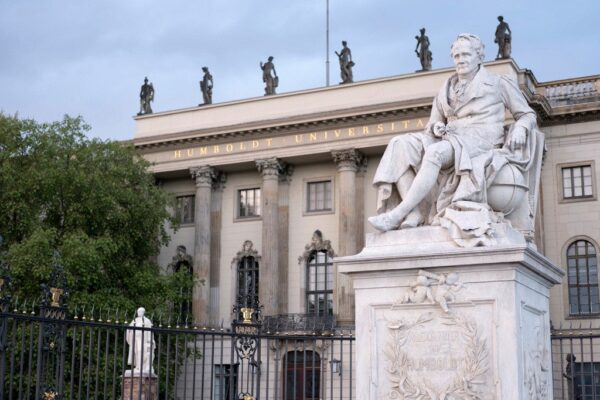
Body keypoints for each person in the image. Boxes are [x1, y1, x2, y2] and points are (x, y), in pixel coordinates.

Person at [369, 33, 538, 246]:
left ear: (479, 56)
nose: (461, 59)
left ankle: (397, 214)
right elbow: (431, 125)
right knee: (399, 145)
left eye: (466, 54)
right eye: (456, 55)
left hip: (480, 141)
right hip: (451, 138)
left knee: (435, 153)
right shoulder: (445, 88)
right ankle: (414, 212)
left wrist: (521, 128)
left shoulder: (497, 83)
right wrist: (436, 127)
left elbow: (527, 114)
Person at [126, 307, 155, 374]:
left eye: (140, 312)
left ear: (143, 312)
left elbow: (150, 331)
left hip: (143, 340)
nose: (139, 313)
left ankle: (143, 367)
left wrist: (149, 340)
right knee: (136, 352)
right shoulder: (135, 320)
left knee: (142, 352)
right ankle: (138, 367)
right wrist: (129, 330)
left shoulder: (147, 321)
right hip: (136, 339)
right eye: (138, 312)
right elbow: (129, 328)